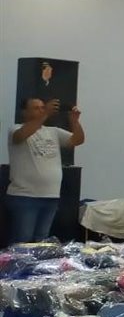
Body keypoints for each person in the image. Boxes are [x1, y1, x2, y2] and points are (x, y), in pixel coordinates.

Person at [5, 97, 84, 243]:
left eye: (42, 107)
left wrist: (74, 121)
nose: (41, 111)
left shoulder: (53, 131)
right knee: (23, 240)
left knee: (41, 241)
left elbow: (77, 140)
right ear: (24, 112)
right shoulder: (16, 129)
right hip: (25, 196)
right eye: (36, 108)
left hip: (51, 196)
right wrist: (46, 113)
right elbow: (20, 136)